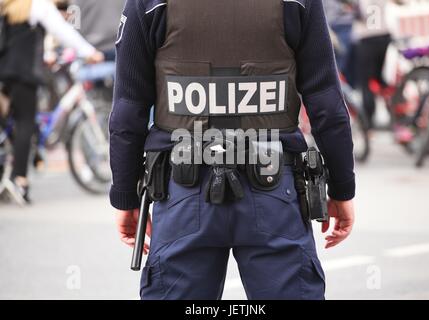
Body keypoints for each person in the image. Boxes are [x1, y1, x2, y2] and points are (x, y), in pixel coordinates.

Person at [110, 0, 356, 300]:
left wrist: (125, 195)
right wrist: (342, 189)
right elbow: (327, 104)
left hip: (182, 193)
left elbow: (127, 110)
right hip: (275, 192)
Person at [0, 0, 103, 203]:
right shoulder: (36, 6)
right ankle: (19, 180)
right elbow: (63, 31)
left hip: (4, 74)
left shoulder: (7, 7)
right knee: (25, 122)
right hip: (23, 74)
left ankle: (14, 167)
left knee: (12, 124)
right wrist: (90, 52)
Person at [353, 0, 391, 129]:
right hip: (384, 35)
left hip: (367, 37)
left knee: (366, 82)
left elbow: (359, 13)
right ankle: (393, 113)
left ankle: (368, 121)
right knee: (380, 78)